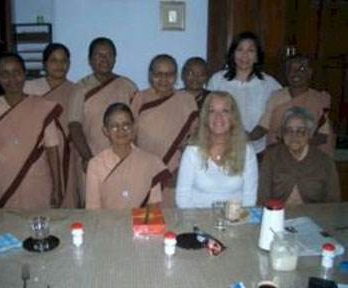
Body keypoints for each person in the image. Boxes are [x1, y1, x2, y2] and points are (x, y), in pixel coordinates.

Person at [0, 53, 62, 210]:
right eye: (5, 74)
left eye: (16, 72)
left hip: (38, 185)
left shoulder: (43, 106)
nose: (12, 79)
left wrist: (57, 188)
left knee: (40, 231)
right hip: (3, 186)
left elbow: (52, 150)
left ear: (25, 74)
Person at [68, 37, 138, 207]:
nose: (104, 59)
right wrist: (88, 158)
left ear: (115, 58)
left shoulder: (127, 86)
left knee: (123, 204)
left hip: (124, 159)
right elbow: (74, 125)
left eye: (109, 55)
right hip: (91, 157)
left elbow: (136, 124)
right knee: (94, 206)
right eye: (99, 55)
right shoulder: (81, 87)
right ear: (90, 59)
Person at [131, 54, 198, 207]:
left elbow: (194, 139)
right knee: (145, 219)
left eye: (169, 74)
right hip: (144, 169)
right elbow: (130, 137)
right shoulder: (140, 98)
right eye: (158, 74)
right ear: (150, 75)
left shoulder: (186, 99)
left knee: (171, 218)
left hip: (175, 172)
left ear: (176, 76)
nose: (163, 79)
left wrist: (182, 170)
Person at [175, 91, 258, 208]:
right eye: (212, 111)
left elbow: (250, 197)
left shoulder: (247, 152)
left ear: (233, 117)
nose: (218, 117)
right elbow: (182, 198)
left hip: (235, 221)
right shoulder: (191, 152)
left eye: (225, 111)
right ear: (205, 117)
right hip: (197, 220)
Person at [207, 31, 281, 155]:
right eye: (240, 50)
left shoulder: (269, 84)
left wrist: (251, 136)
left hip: (259, 150)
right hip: (223, 148)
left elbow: (277, 116)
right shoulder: (217, 80)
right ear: (233, 53)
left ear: (257, 56)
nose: (244, 55)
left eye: (250, 51)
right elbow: (208, 113)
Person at [24, 43, 79, 208]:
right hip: (37, 153)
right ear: (44, 64)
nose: (59, 65)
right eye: (54, 60)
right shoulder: (29, 88)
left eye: (64, 61)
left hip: (68, 153)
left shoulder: (76, 90)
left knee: (67, 200)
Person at [85, 103, 170, 210]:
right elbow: (93, 208)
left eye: (126, 125)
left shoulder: (152, 162)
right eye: (114, 126)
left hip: (141, 224)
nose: (121, 130)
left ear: (133, 128)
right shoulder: (95, 164)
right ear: (106, 131)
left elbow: (153, 204)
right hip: (107, 224)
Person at [258, 107, 340, 205]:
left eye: (300, 130)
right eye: (289, 130)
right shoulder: (271, 157)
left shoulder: (325, 161)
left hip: (315, 216)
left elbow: (333, 202)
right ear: (283, 134)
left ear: (309, 133)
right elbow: (263, 198)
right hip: (278, 215)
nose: (294, 135)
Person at [255, 55, 334, 155]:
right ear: (286, 74)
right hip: (278, 153)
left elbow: (323, 136)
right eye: (291, 70)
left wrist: (296, 144)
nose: (295, 73)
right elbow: (263, 127)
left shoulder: (320, 99)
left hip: (309, 154)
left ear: (310, 73)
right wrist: (245, 136)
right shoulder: (276, 97)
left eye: (301, 69)